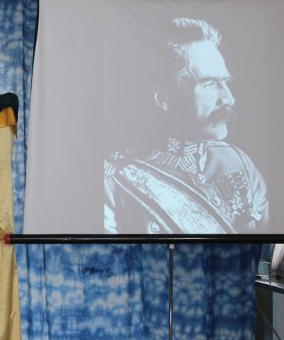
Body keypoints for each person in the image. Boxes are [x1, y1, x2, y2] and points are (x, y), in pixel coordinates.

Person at [104, 17, 268, 234]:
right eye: (210, 84)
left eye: (225, 83)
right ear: (164, 99)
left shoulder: (239, 163)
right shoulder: (113, 180)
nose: (229, 98)